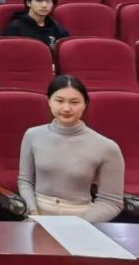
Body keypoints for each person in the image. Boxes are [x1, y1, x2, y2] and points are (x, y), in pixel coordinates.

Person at [17, 76, 124, 222]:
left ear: (85, 104)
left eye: (74, 102)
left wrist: (79, 224)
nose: (66, 108)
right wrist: (33, 212)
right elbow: (25, 181)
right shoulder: (32, 135)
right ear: (49, 101)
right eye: (59, 101)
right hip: (37, 215)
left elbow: (111, 201)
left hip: (83, 218)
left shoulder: (107, 147)